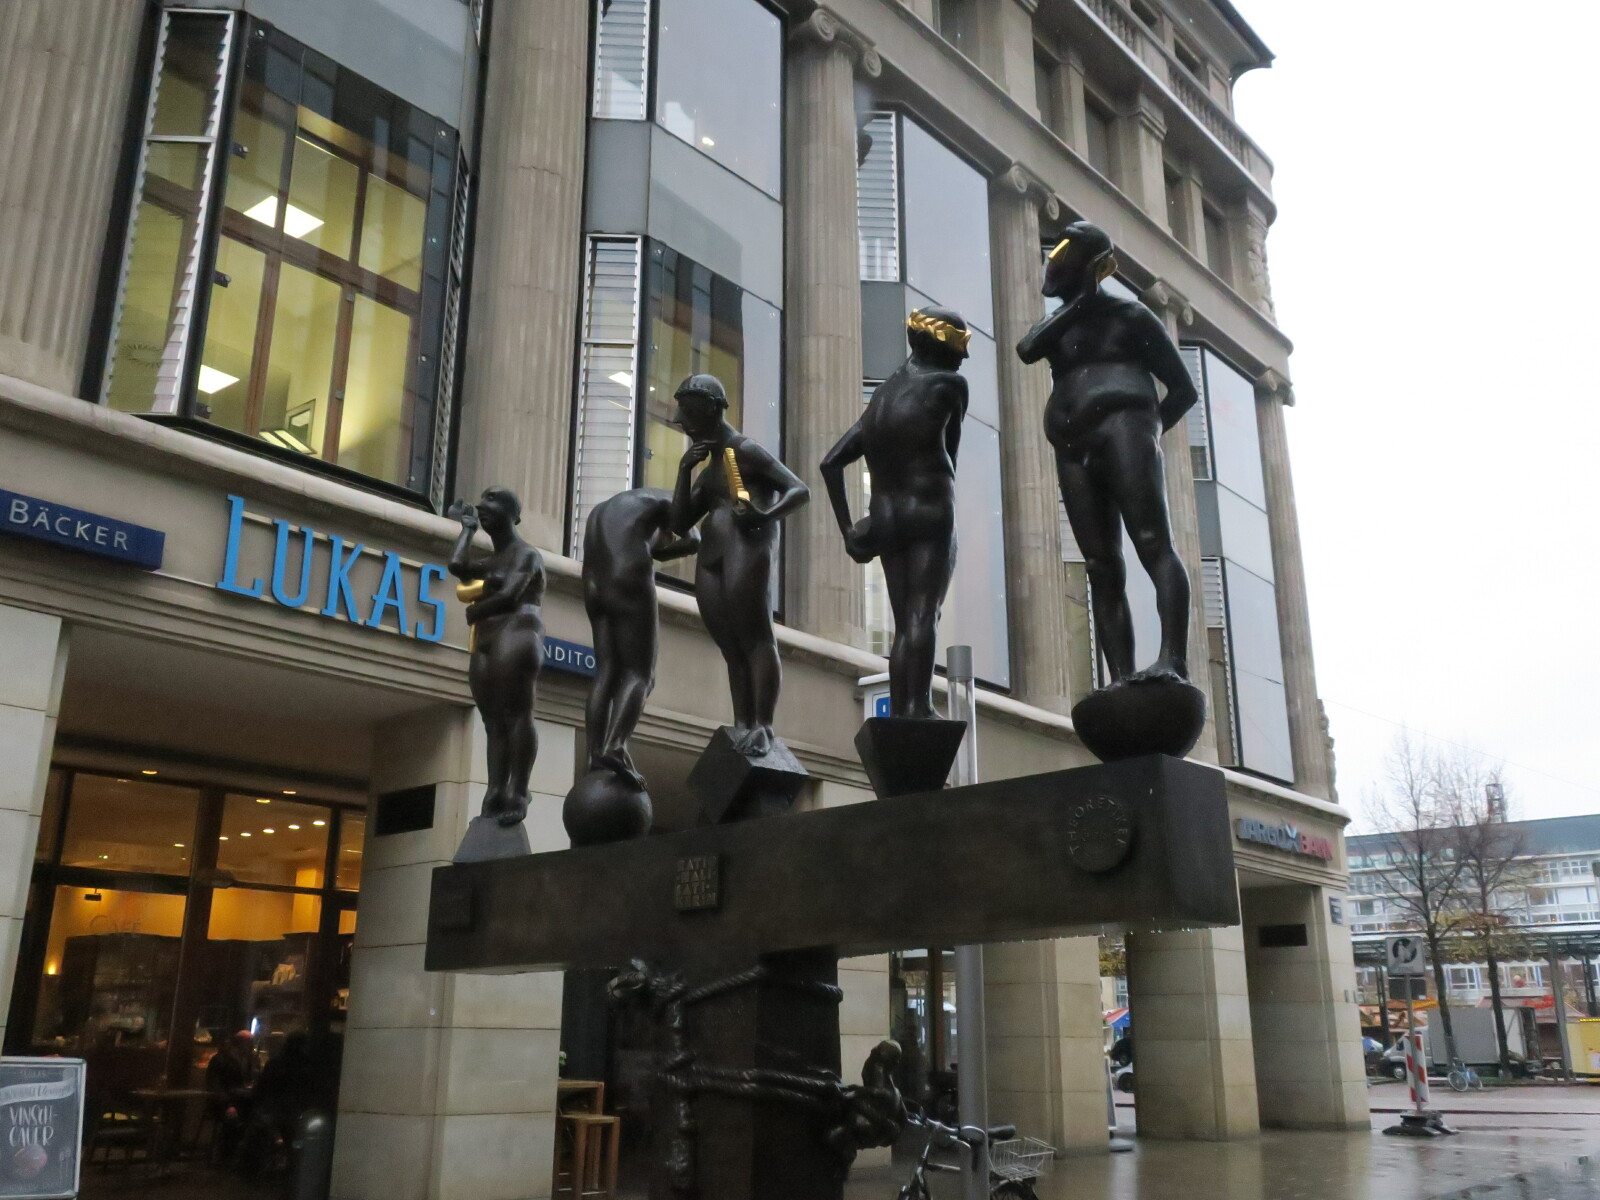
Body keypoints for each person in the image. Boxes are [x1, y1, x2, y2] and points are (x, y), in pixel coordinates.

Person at [1017, 221, 1200, 685]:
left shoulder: (1131, 317)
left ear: (1089, 265)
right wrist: (1079, 304)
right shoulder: (1058, 326)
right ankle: (1119, 677)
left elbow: (1183, 390)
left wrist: (1147, 430)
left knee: (1152, 543)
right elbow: (1026, 349)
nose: (1052, 264)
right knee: (1100, 564)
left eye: (1063, 255)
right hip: (1072, 449)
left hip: (1125, 432)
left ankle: (1173, 658)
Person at [820, 307, 970, 719]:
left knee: (905, 623)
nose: (963, 357)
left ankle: (904, 711)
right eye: (959, 345)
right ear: (938, 343)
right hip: (929, 511)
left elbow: (831, 463)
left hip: (886, 518)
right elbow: (952, 455)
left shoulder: (882, 397)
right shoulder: (950, 385)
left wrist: (849, 530)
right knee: (924, 615)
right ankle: (917, 708)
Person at [668, 375, 809, 756]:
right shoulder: (710, 465)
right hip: (712, 555)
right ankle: (743, 722)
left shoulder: (744, 451)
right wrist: (683, 471)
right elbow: (680, 522)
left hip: (746, 547)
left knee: (755, 637)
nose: (682, 421)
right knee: (730, 644)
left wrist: (764, 514)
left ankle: (763, 724)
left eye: (689, 413)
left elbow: (799, 489)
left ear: (712, 410)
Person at [581, 488, 699, 785]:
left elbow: (653, 545)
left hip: (593, 584)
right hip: (627, 576)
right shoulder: (666, 502)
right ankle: (616, 746)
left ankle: (595, 755)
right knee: (641, 675)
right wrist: (668, 549)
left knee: (606, 672)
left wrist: (656, 547)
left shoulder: (605, 509)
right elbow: (693, 539)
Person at [448, 487, 545, 824]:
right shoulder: (492, 560)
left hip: (517, 632)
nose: (481, 505)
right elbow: (457, 565)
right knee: (492, 721)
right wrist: (467, 529)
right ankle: (495, 789)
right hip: (487, 638)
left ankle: (518, 791)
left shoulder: (527, 555)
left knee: (517, 714)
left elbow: (510, 595)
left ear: (513, 515)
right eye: (482, 499)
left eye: (492, 500)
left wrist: (477, 610)